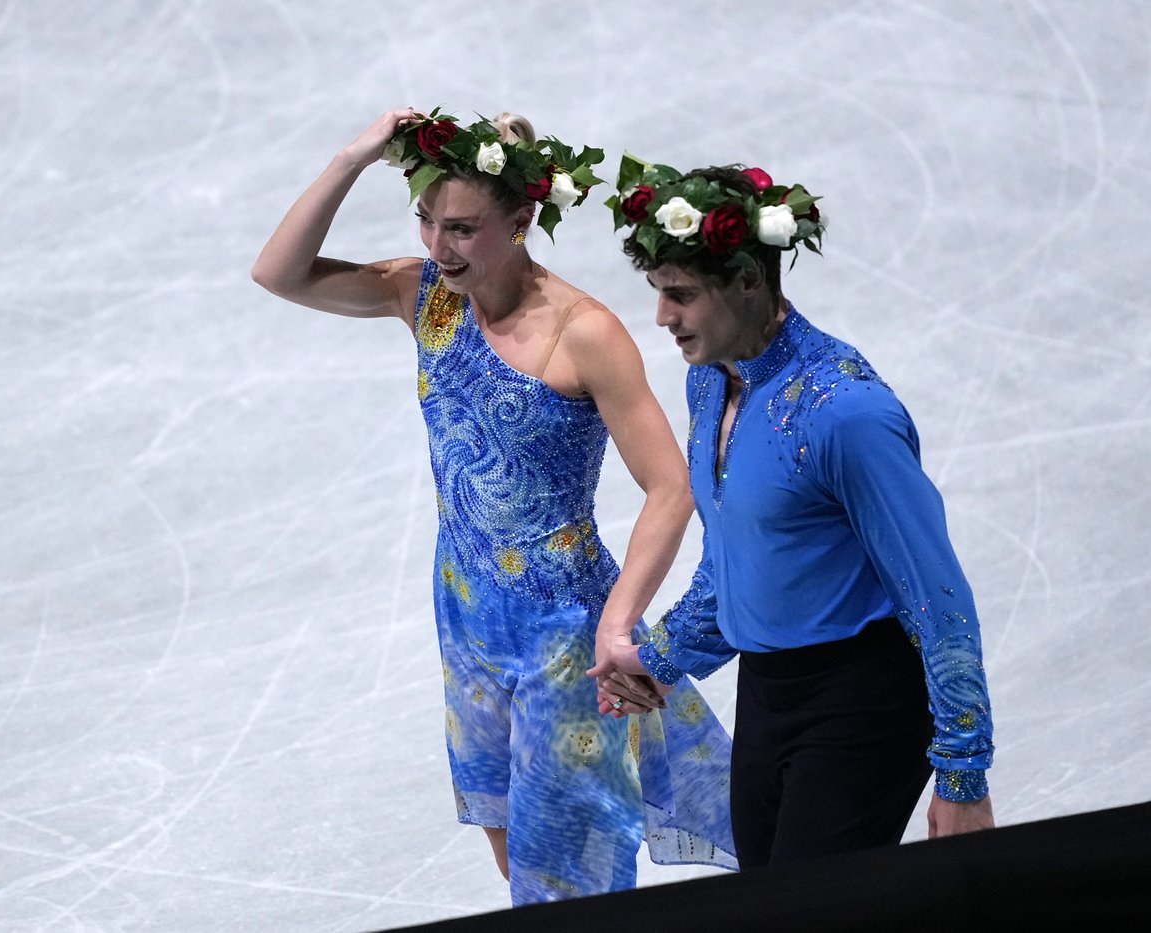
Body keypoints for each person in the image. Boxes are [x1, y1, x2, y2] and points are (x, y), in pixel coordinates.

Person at [251, 110, 736, 905]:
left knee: (567, 872)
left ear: (523, 220)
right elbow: (279, 272)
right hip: (466, 611)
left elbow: (671, 486)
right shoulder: (423, 297)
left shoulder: (586, 334)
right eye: (429, 222)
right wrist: (352, 157)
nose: (441, 247)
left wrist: (620, 622)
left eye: (465, 229)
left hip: (561, 634)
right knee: (519, 858)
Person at [588, 155, 997, 869]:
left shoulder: (846, 413)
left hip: (865, 698)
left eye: (680, 294)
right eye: (657, 292)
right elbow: (737, 563)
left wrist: (964, 772)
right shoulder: (711, 384)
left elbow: (939, 597)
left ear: (750, 279)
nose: (661, 317)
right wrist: (662, 658)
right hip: (770, 692)